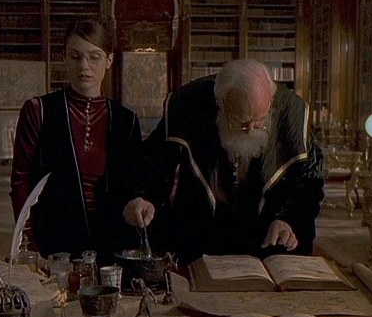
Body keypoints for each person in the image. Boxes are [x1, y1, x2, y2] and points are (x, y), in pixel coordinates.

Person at [124, 59, 324, 263]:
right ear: (220, 103)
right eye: (240, 121)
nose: (249, 130)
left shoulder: (293, 112)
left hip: (267, 234)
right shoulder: (189, 103)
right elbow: (153, 160)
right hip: (201, 230)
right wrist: (143, 196)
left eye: (259, 121)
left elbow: (310, 179)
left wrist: (288, 218)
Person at [10, 18, 143, 262]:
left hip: (112, 241)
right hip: (54, 242)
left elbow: (133, 185)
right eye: (75, 56)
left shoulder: (126, 120)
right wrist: (27, 241)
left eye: (94, 57)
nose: (84, 66)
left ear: (109, 60)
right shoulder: (39, 111)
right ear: (64, 57)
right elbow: (21, 181)